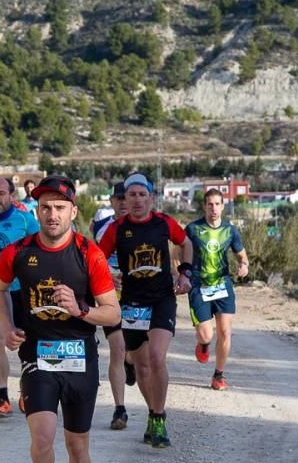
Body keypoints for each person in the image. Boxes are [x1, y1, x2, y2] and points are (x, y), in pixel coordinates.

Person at [0, 175, 120, 463]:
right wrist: (9, 326)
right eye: (45, 207)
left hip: (80, 359)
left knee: (77, 446)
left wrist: (81, 308)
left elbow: (112, 315)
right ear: (36, 210)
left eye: (59, 208)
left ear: (73, 212)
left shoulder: (88, 254)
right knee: (42, 437)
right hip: (39, 357)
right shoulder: (18, 252)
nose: (51, 214)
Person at [98, 173, 189, 448]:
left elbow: (185, 243)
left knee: (158, 358)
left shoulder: (164, 223)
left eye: (141, 195)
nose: (136, 200)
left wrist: (186, 273)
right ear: (124, 199)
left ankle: (159, 418)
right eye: (131, 195)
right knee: (141, 367)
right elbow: (97, 259)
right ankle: (152, 412)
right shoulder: (116, 229)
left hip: (162, 299)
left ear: (151, 198)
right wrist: (107, 277)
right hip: (132, 304)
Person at [0, 178, 40, 417]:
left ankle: (27, 390)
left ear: (11, 195)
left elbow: (41, 246)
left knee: (25, 341)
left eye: (2, 193)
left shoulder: (25, 220)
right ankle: (3, 397)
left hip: (21, 289)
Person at [181, 188, 250, 390]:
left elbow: (241, 254)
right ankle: (203, 345)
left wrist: (244, 265)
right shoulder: (193, 229)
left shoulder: (230, 230)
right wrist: (180, 274)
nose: (213, 208)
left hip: (222, 285)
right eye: (210, 204)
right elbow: (178, 251)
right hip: (198, 287)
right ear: (204, 206)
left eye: (217, 204)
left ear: (223, 206)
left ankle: (218, 376)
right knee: (206, 335)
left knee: (225, 332)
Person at [94, 182, 134, 430]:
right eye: (117, 198)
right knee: (117, 349)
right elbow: (94, 261)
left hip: (138, 296)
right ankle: (120, 409)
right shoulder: (102, 228)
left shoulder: (144, 228)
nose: (121, 203)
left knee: (133, 352)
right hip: (111, 296)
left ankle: (132, 361)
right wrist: (107, 275)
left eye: (125, 198)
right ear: (111, 201)